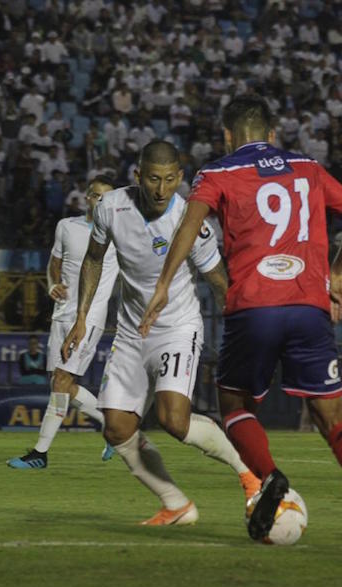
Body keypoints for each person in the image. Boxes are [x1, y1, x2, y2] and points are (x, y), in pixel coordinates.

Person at [139, 95, 342, 550]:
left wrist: (164, 282)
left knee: (235, 405)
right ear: (272, 134)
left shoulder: (217, 173)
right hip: (309, 307)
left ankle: (270, 477)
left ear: (228, 136)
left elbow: (188, 225)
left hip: (253, 306)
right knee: (334, 419)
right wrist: (338, 271)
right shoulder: (308, 166)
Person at [61, 140, 261, 525]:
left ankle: (248, 473)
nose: (161, 189)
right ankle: (176, 504)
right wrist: (81, 317)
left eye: (170, 180)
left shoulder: (189, 219)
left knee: (174, 420)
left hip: (177, 327)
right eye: (153, 179)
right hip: (132, 332)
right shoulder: (111, 207)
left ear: (180, 179)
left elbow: (218, 278)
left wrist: (241, 321)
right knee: (117, 428)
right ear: (138, 176)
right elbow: (93, 259)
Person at [7, 176, 120, 469]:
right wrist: (52, 284)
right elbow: (54, 263)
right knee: (60, 385)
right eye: (96, 196)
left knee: (61, 381)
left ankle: (40, 453)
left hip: (89, 318)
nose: (100, 202)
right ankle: (115, 429)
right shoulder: (66, 226)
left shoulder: (119, 234)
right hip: (61, 313)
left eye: (106, 197)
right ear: (86, 197)